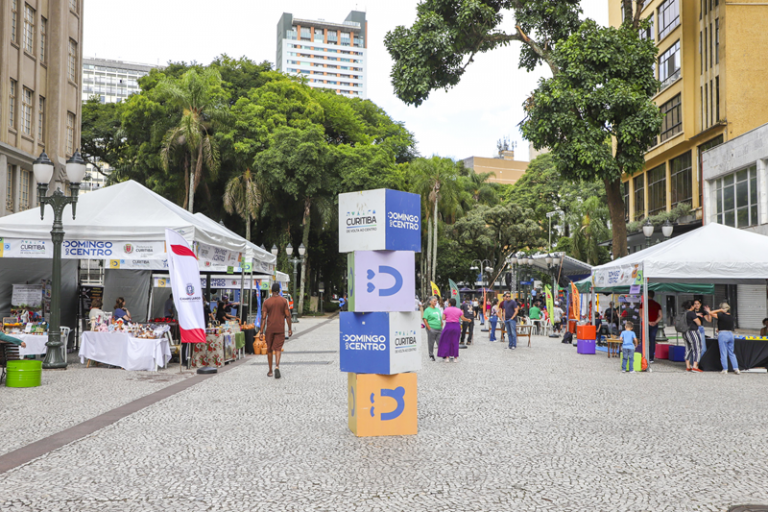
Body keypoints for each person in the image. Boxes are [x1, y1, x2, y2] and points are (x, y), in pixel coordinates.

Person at [259, 282, 292, 379]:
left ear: (271, 291)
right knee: (278, 348)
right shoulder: (283, 301)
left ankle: (270, 371)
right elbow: (288, 316)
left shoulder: (266, 302)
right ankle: (277, 366)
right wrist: (289, 329)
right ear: (279, 291)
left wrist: (261, 332)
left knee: (269, 349)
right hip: (280, 328)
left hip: (270, 329)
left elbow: (263, 318)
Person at [707, 303, 740, 375]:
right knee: (731, 352)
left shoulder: (721, 315)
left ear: (721, 308)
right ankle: (736, 368)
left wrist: (719, 310)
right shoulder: (731, 316)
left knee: (723, 352)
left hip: (723, 334)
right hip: (730, 334)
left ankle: (725, 369)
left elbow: (711, 313)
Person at [437, 298, 467, 362]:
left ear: (449, 303)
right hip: (456, 326)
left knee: (446, 341)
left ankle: (447, 357)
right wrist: (468, 320)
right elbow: (462, 318)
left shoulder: (446, 309)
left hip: (448, 326)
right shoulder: (459, 310)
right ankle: (455, 358)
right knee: (455, 342)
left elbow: (443, 318)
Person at [640, 291, 662, 363]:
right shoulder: (657, 304)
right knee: (652, 341)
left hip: (645, 324)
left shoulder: (643, 304)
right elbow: (661, 315)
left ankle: (644, 356)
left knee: (644, 340)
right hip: (654, 324)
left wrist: (648, 322)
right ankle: (651, 358)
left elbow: (641, 314)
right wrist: (655, 322)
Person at [682, 300, 703, 373]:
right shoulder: (691, 313)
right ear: (691, 306)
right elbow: (699, 323)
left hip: (685, 332)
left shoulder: (684, 313)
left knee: (688, 348)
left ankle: (688, 366)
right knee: (697, 347)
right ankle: (695, 366)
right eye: (694, 305)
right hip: (692, 331)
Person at [422, 296, 443, 361]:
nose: (435, 302)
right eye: (434, 301)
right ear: (430, 301)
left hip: (439, 328)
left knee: (440, 342)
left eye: (436, 301)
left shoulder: (437, 309)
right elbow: (425, 319)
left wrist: (441, 323)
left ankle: (442, 354)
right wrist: (429, 328)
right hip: (432, 328)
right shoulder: (427, 310)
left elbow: (439, 317)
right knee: (431, 342)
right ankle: (431, 355)